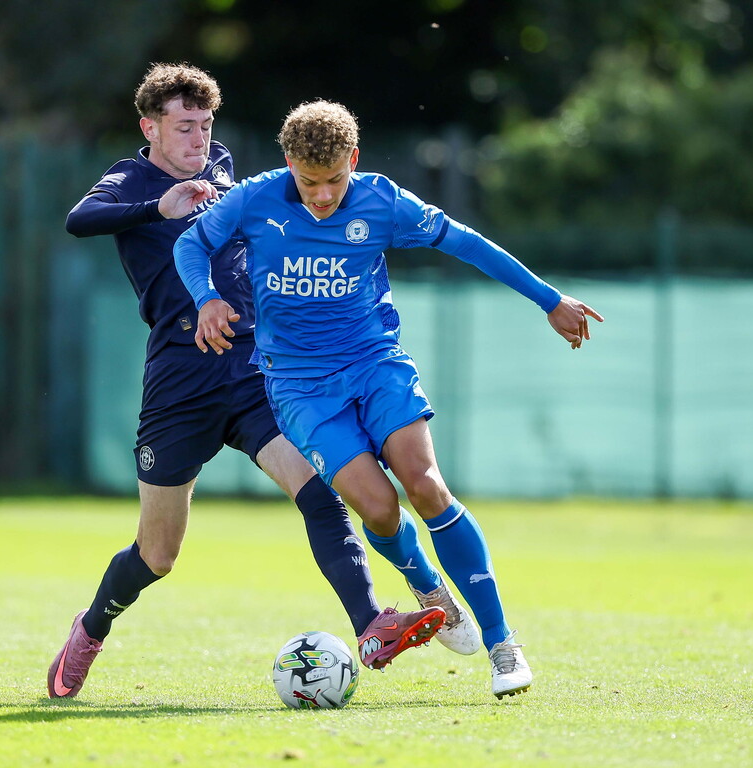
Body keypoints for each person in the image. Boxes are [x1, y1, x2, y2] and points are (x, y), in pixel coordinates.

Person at [48, 67, 476, 699]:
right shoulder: (131, 180)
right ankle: (90, 630)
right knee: (157, 555)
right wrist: (157, 207)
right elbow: (80, 219)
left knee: (319, 487)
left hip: (257, 371)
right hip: (179, 383)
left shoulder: (224, 171)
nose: (197, 137)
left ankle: (370, 623)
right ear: (151, 128)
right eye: (183, 126)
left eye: (204, 125)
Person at [174, 99, 605, 699]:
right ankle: (430, 590)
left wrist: (548, 300)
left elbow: (468, 244)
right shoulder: (254, 198)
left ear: (353, 160)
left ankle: (503, 644)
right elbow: (190, 246)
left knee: (424, 484)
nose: (322, 196)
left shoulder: (382, 201)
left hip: (376, 366)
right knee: (377, 508)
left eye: (333, 181)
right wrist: (206, 297)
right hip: (298, 385)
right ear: (289, 165)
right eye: (308, 182)